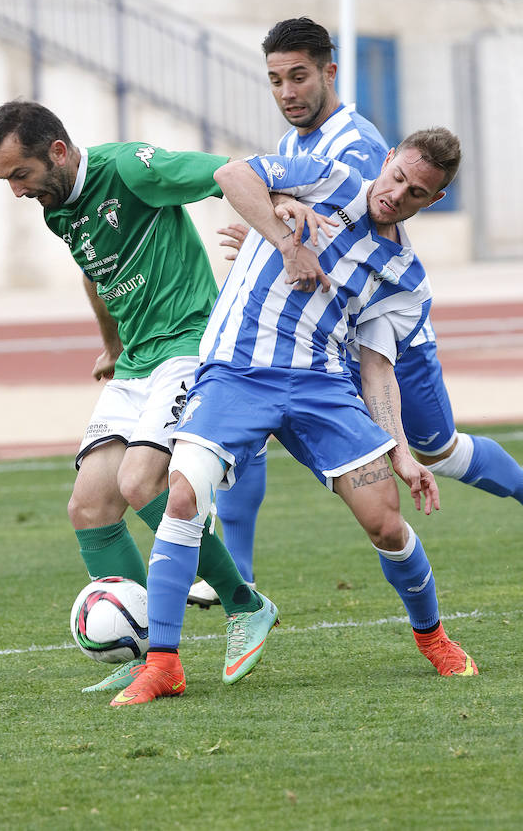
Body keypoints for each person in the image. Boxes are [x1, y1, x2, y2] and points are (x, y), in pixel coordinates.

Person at [111, 127, 479, 706]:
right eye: (398, 176)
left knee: (386, 522)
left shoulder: (405, 278)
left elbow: (379, 372)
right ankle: (162, 664)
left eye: (416, 193)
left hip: (322, 387)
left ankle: (432, 636)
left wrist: (403, 456)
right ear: (386, 161)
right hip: (236, 371)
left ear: (433, 201)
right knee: (182, 496)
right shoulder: (326, 175)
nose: (396, 194)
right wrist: (286, 237)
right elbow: (233, 176)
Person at [189, 16, 523, 607]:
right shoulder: (298, 143)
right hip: (327, 325)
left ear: (329, 73)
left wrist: (283, 237)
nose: (287, 92)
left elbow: (362, 235)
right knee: (249, 421)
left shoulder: (357, 145)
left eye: (299, 77)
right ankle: (237, 577)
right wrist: (275, 231)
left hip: (385, 333)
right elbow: (280, 205)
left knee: (435, 451)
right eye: (275, 80)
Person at [0, 100, 289, 693]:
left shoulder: (133, 169)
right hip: (137, 361)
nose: (17, 191)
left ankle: (245, 603)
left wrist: (279, 215)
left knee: (139, 483)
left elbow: (228, 171)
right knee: (89, 507)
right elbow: (94, 273)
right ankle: (144, 653)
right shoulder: (58, 211)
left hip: (186, 343)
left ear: (59, 152)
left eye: (21, 174)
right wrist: (111, 343)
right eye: (7, 180)